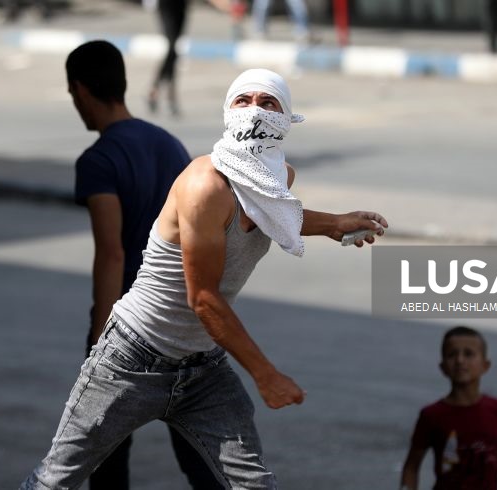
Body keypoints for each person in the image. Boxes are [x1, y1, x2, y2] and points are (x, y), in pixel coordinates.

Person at [22, 67, 388, 489]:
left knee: (252, 485)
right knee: (55, 481)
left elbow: (268, 210)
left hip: (202, 368)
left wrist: (332, 223)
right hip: (131, 358)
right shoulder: (204, 185)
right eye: (242, 101)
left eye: (268, 103)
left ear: (286, 120)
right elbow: (204, 300)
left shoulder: (279, 178)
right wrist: (265, 374)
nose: (254, 111)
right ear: (226, 113)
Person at [65, 40, 221, 490]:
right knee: (202, 454)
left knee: (106, 454)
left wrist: (99, 340)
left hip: (131, 328)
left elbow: (111, 252)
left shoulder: (98, 162)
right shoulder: (169, 145)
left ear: (80, 90)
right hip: (184, 323)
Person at [399, 326, 497, 490]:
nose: (460, 360)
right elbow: (411, 466)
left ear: (485, 365)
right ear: (442, 366)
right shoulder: (431, 415)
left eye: (469, 354)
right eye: (452, 354)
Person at [147, 0, 188, 117]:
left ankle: (157, 90)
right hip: (166, 4)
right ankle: (170, 95)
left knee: (174, 49)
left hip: (181, 5)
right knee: (172, 47)